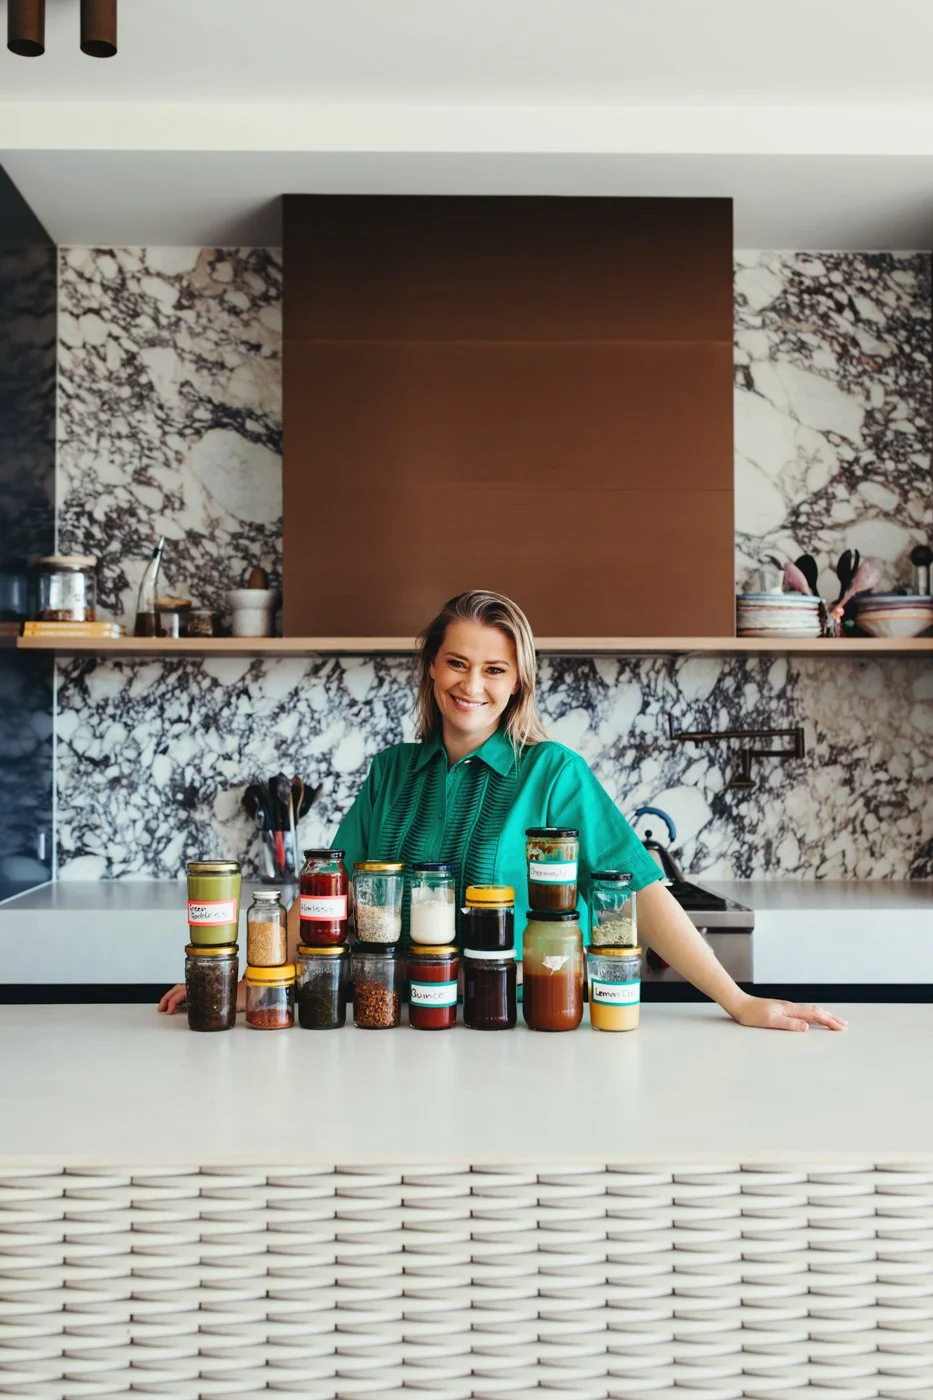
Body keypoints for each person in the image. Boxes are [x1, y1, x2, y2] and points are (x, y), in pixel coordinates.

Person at [160, 589, 846, 1034]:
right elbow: (325, 896)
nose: (472, 685)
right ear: (430, 666)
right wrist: (234, 975)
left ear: (517, 681)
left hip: (518, 1028)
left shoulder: (552, 773)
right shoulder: (392, 772)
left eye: (494, 669)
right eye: (457, 663)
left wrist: (738, 1001)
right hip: (392, 1025)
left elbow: (637, 891)